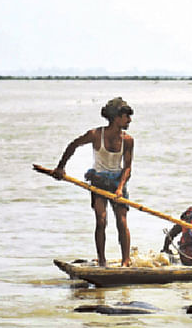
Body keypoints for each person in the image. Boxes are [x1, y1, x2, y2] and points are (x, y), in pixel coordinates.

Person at [51, 97, 134, 267]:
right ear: (116, 118)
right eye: (126, 117)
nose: (129, 120)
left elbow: (127, 168)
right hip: (99, 181)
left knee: (122, 221)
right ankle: (102, 260)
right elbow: (73, 145)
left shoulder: (128, 140)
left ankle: (126, 261)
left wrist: (119, 189)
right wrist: (60, 167)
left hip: (118, 181)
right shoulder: (96, 135)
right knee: (101, 220)